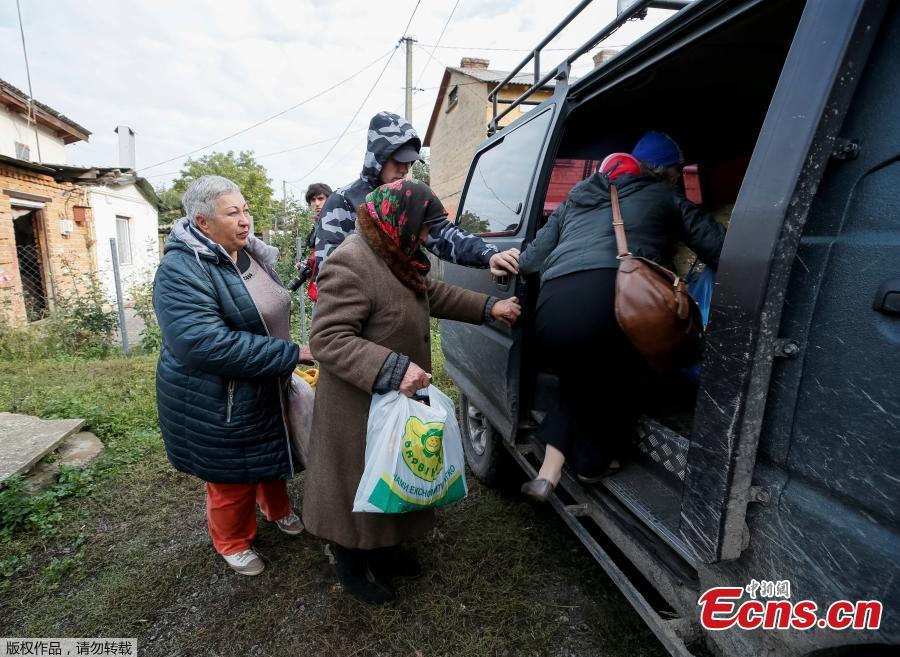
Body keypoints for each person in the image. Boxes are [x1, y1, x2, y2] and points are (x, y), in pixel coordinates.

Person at [304, 179, 521, 604]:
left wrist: (487, 306)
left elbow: (429, 293)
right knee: (357, 482)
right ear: (399, 219)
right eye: (423, 228)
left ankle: (386, 549)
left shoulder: (396, 253)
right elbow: (327, 339)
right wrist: (392, 368)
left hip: (393, 395)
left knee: (394, 471)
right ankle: (350, 562)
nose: (426, 237)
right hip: (357, 403)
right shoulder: (351, 262)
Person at [517, 134, 726, 503]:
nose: (679, 179)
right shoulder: (663, 196)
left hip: (551, 310)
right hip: (614, 303)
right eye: (677, 172)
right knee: (629, 376)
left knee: (580, 379)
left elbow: (530, 260)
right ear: (661, 172)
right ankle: (590, 463)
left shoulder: (573, 202)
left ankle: (547, 473)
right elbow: (718, 246)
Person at [153, 175, 314, 576]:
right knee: (231, 476)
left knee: (274, 448)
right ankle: (231, 540)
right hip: (218, 394)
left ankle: (276, 508)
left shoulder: (249, 252)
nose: (245, 221)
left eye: (246, 210)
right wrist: (289, 353)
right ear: (202, 222)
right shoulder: (181, 268)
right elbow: (202, 343)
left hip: (265, 378)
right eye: (232, 213)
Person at [313, 110, 521, 283]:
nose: (405, 168)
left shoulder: (408, 201)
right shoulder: (344, 201)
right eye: (399, 160)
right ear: (378, 157)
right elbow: (330, 273)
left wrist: (489, 254)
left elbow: (443, 234)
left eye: (410, 161)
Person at [302, 182, 333, 302]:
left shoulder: (335, 223)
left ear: (330, 199)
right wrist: (309, 263)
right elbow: (320, 254)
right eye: (313, 200)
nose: (317, 203)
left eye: (321, 198)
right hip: (319, 292)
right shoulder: (318, 224)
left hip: (331, 292)